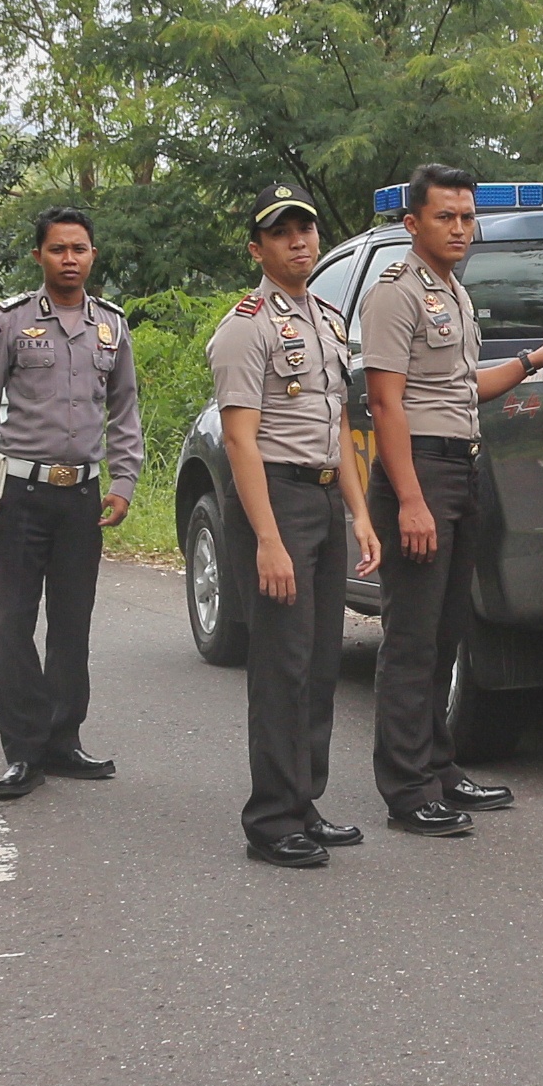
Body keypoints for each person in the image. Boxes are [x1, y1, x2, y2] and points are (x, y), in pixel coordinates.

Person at [359, 163, 543, 838]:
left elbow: (459, 388)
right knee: (410, 639)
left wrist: (533, 359)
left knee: (447, 632)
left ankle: (438, 765)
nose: (459, 227)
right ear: (412, 224)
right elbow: (384, 403)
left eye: (465, 215)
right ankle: (405, 789)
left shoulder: (451, 290)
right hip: (418, 473)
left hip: (460, 466)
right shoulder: (394, 294)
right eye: (444, 216)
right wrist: (410, 500)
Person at [206, 184, 384, 870]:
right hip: (273, 500)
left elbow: (337, 424)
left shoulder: (329, 320)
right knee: (280, 666)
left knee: (317, 664)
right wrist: (268, 539)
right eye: (282, 233)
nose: (299, 240)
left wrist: (360, 512)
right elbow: (241, 441)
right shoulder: (245, 326)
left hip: (320, 500)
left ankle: (304, 801)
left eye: (305, 228)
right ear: (258, 248)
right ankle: (271, 819)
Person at [0, 207, 143, 802]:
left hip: (81, 496)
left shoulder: (110, 327)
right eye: (58, 249)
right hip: (20, 497)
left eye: (79, 249)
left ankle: (63, 741)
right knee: (13, 623)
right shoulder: (8, 324)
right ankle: (24, 751)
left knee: (71, 623)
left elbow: (125, 411)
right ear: (39, 256)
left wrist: (124, 482)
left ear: (92, 255)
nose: (69, 259)